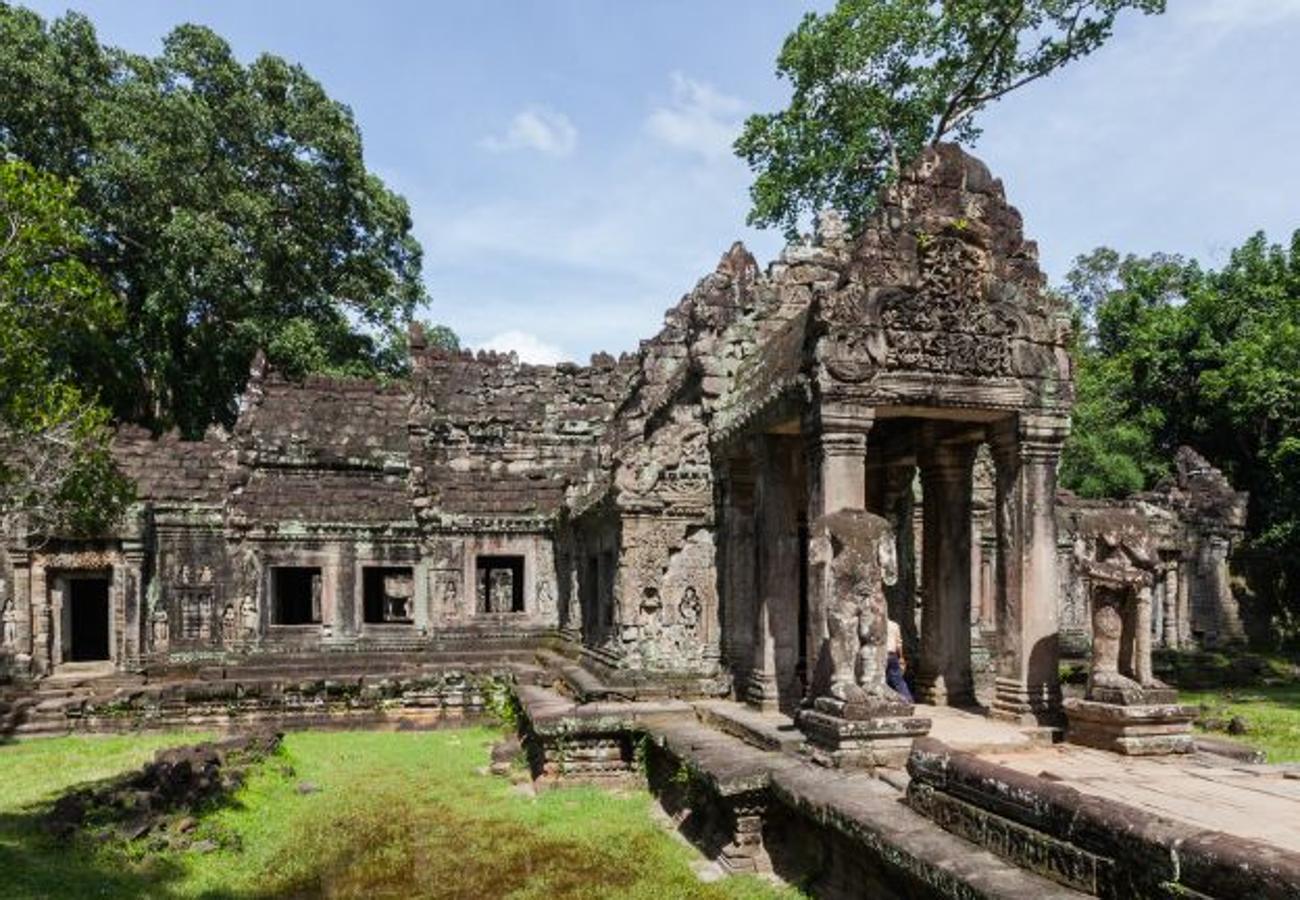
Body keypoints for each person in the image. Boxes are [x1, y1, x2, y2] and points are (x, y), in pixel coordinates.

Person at [885, 617, 914, 703]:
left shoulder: (878, 624)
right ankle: (907, 698)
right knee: (898, 679)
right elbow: (899, 644)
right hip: (893, 654)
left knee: (882, 679)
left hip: (881, 655)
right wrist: (901, 657)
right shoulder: (894, 625)